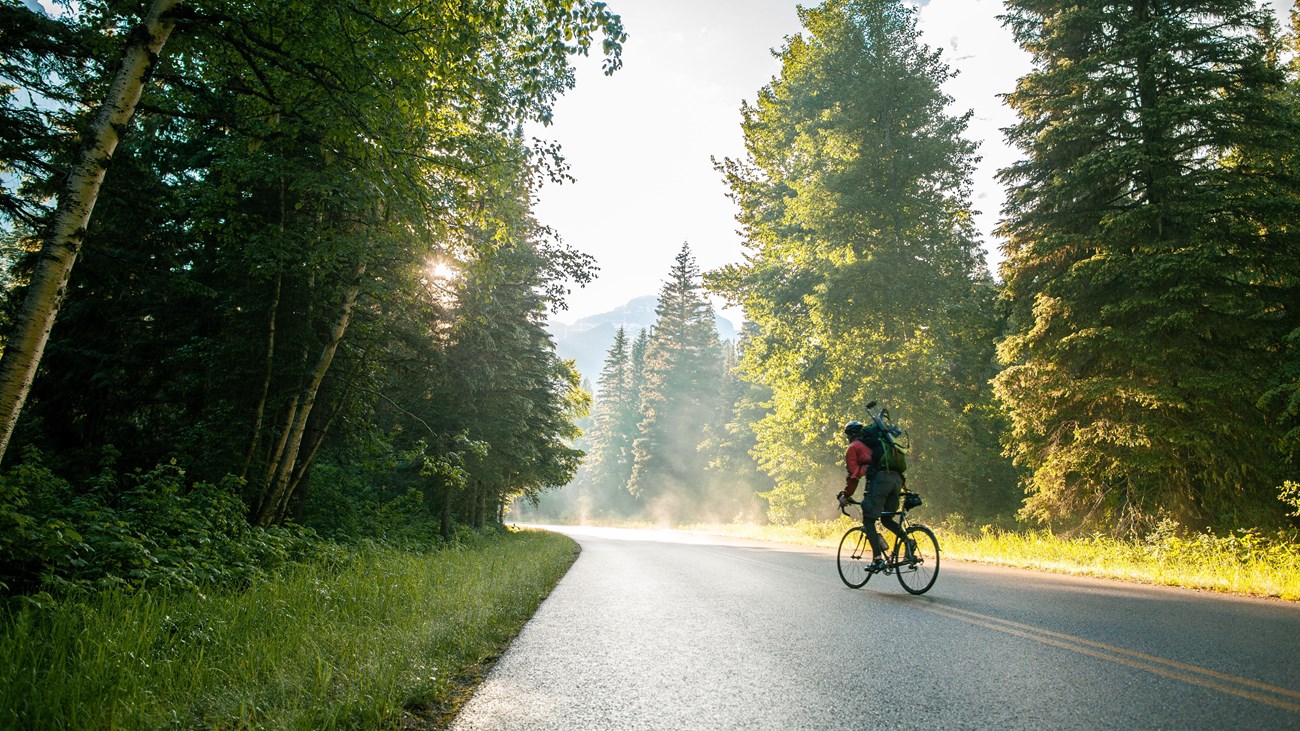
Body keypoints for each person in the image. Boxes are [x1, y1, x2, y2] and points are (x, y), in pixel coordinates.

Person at [838, 420, 910, 571]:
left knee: (869, 520)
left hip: (880, 482)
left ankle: (877, 559)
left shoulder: (853, 447)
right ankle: (909, 544)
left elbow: (853, 475)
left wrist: (846, 495)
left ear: (850, 435)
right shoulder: (878, 443)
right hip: (896, 480)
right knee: (886, 518)